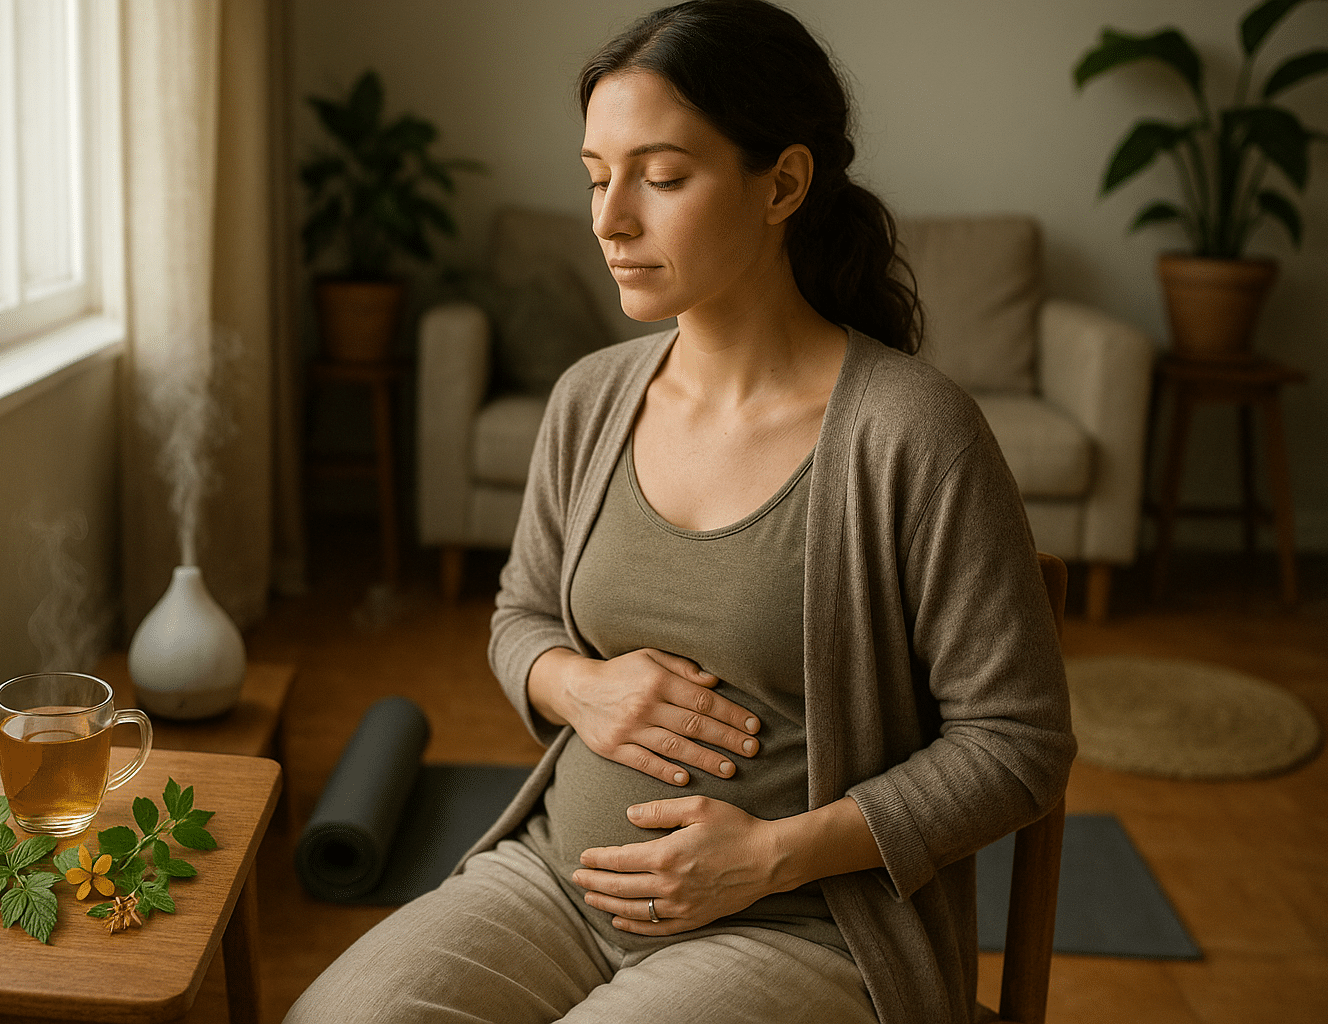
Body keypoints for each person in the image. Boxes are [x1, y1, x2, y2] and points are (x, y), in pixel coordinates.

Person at [286, 2, 1074, 1022]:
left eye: (660, 178)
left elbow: (1019, 741)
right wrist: (579, 688)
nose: (611, 217)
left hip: (801, 925)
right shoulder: (590, 398)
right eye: (595, 176)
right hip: (556, 888)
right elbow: (518, 615)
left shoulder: (911, 432)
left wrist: (772, 854)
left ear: (783, 183)